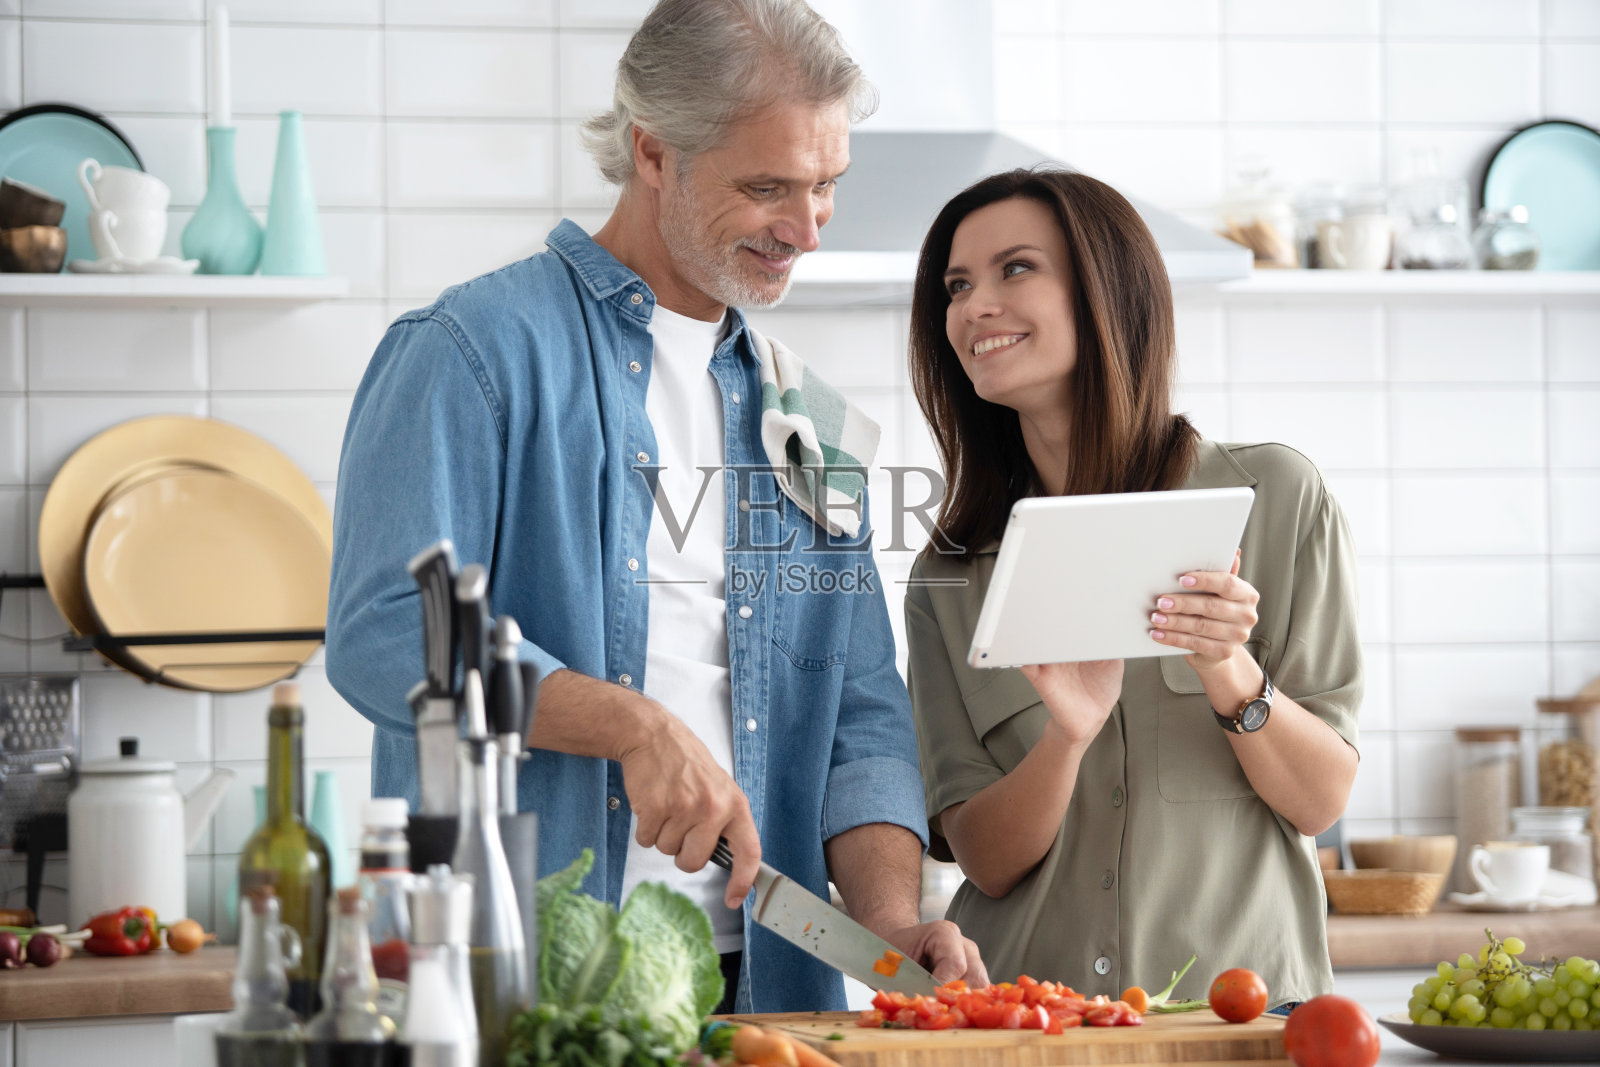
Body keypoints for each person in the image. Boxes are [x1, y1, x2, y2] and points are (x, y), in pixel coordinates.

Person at [326, 0, 984, 1014]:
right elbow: (383, 636)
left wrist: (891, 921)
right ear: (652, 152)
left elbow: (860, 713)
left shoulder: (811, 414)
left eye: (826, 187)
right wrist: (626, 723)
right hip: (531, 978)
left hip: (768, 982)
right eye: (766, 187)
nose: (804, 229)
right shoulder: (469, 351)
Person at [903, 168, 1362, 1007]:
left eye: (1015, 268)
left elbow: (1320, 797)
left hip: (1241, 1023)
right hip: (1033, 1026)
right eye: (958, 286)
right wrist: (1064, 738)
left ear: (1109, 292)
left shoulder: (1276, 499)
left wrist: (1229, 668)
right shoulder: (953, 573)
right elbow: (986, 857)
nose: (974, 306)